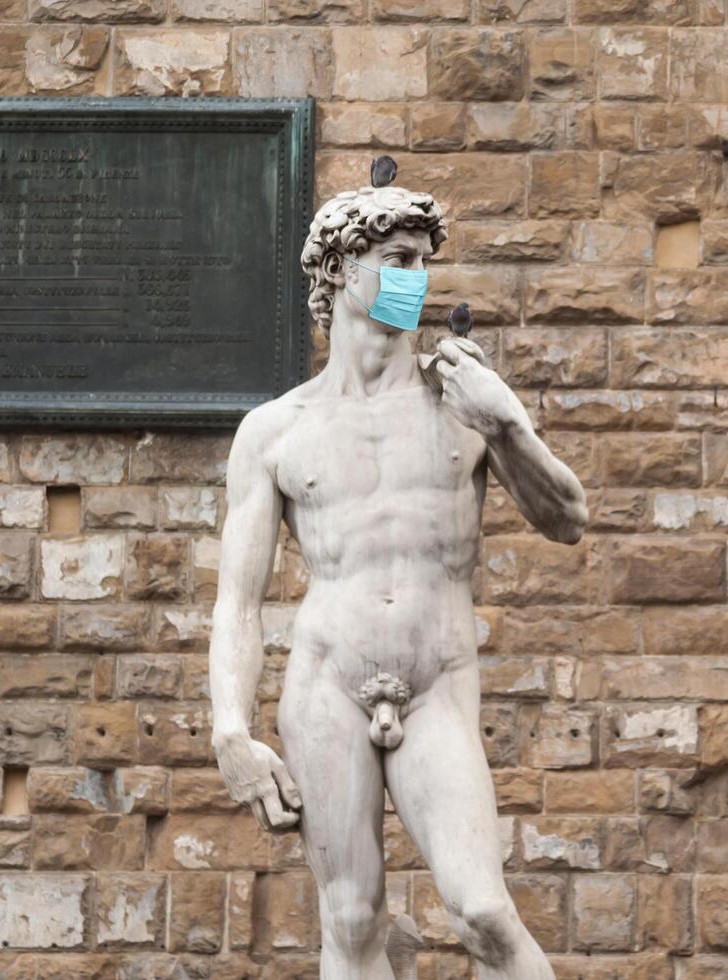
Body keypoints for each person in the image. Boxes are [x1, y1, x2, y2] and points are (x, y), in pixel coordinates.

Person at [208, 181, 586, 980]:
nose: (419, 276)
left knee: (482, 910)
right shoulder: (276, 430)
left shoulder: (462, 404)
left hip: (438, 682)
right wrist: (229, 729)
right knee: (351, 919)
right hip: (326, 682)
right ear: (344, 268)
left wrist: (507, 420)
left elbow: (568, 518)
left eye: (425, 261)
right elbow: (237, 603)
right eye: (399, 259)